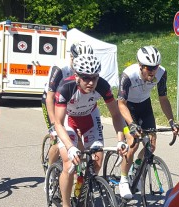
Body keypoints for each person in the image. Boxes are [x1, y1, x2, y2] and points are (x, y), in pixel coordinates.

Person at [54, 54, 128, 207]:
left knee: (97, 160)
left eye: (94, 78)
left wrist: (121, 140)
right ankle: (66, 204)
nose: (91, 82)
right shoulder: (65, 88)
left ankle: (81, 187)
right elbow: (58, 123)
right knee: (69, 164)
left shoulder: (102, 86)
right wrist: (70, 147)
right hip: (69, 120)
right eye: (86, 78)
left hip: (90, 117)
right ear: (77, 76)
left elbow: (115, 114)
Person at [117, 46, 179, 199]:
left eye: (155, 67)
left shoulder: (161, 73)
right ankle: (124, 179)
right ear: (140, 66)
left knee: (150, 145)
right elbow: (120, 103)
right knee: (133, 143)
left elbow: (163, 98)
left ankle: (135, 171)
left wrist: (171, 121)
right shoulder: (128, 75)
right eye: (148, 68)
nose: (152, 71)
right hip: (128, 107)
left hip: (145, 105)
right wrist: (132, 124)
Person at [41, 41, 94, 166]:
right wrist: (53, 125)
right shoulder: (60, 68)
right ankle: (50, 172)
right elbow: (50, 97)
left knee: (77, 136)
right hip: (52, 100)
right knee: (58, 139)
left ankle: (78, 175)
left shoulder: (86, 70)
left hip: (69, 102)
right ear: (71, 57)